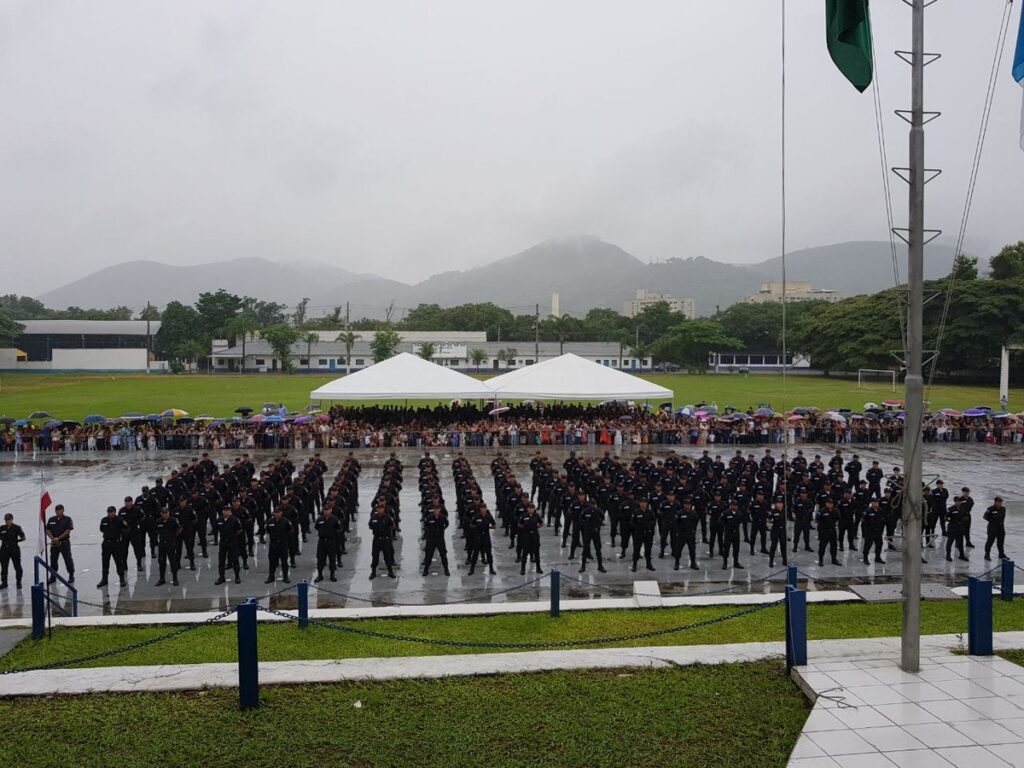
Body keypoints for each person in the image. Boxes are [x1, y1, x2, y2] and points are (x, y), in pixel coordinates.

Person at [97, 506, 128, 588]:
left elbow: (126, 529)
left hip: (116, 543)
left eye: (111, 512)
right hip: (106, 543)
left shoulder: (120, 520)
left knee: (118, 562)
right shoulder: (104, 520)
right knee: (105, 562)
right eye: (108, 512)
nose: (110, 513)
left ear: (115, 512)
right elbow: (101, 529)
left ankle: (122, 579)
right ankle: (104, 579)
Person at [45, 503, 74, 584]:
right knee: (53, 560)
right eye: (57, 510)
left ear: (63, 510)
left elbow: (68, 530)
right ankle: (53, 576)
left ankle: (71, 575)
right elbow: (47, 530)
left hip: (64, 543)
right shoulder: (51, 519)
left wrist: (59, 538)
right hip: (54, 543)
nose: (58, 511)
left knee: (68, 559)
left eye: (60, 509)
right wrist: (52, 538)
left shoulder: (67, 519)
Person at [214, 506, 243, 585]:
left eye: (227, 510)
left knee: (235, 560)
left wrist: (234, 537)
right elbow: (215, 528)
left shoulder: (234, 519)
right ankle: (221, 577)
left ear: (230, 511)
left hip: (232, 542)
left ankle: (237, 576)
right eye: (224, 510)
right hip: (223, 542)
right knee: (221, 560)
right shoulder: (219, 519)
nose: (225, 512)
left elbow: (239, 529)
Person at [314, 507, 343, 582]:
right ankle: (320, 575)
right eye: (324, 510)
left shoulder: (335, 519)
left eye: (327, 510)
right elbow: (316, 527)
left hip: (331, 541)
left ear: (330, 510)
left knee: (332, 558)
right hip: (322, 541)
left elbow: (339, 528)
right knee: (320, 558)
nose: (325, 512)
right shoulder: (320, 519)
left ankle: (332, 575)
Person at [264, 507, 292, 584]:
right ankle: (271, 576)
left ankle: (285, 577)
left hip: (283, 544)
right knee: (272, 562)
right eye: (275, 512)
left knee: (284, 562)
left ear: (281, 513)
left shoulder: (286, 521)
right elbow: (267, 530)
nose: (277, 514)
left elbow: (290, 530)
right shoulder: (270, 521)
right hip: (273, 545)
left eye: (278, 512)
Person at [578, 498, 606, 573]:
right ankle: (583, 566)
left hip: (596, 532)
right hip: (587, 532)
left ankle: (600, 565)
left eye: (594, 504)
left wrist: (598, 525)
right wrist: (585, 525)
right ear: (589, 504)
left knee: (598, 549)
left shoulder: (598, 511)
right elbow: (580, 519)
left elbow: (603, 518)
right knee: (585, 549)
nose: (593, 506)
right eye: (591, 504)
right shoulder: (585, 511)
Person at [368, 505, 396, 579]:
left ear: (384, 509)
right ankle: (373, 572)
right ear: (377, 509)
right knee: (375, 557)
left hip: (385, 540)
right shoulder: (374, 517)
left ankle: (390, 571)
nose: (380, 510)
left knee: (387, 556)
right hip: (377, 540)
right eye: (379, 508)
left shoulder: (387, 517)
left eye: (382, 508)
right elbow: (370, 525)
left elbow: (392, 525)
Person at [422, 506, 450, 576]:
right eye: (435, 510)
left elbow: (447, 524)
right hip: (431, 539)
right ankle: (426, 570)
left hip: (440, 538)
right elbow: (425, 526)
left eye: (438, 510)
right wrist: (430, 532)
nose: (436, 511)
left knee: (443, 554)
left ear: (440, 510)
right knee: (428, 555)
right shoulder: (429, 517)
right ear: (433, 510)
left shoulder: (442, 517)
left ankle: (446, 569)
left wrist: (442, 529)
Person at [0, 513, 26, 589]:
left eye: (8, 519)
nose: (7, 521)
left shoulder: (17, 527)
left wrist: (17, 541)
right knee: (4, 567)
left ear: (12, 519)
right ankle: (4, 583)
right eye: (6, 519)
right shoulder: (1, 528)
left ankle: (18, 582)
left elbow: (23, 537)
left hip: (14, 549)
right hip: (4, 549)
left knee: (17, 566)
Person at [816, 499, 840, 567]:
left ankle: (834, 559)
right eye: (829, 503)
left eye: (831, 503)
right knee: (822, 546)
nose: (830, 504)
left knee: (834, 546)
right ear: (826, 503)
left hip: (832, 531)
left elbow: (838, 518)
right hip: (824, 531)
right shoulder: (822, 511)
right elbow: (817, 519)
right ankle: (821, 560)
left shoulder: (835, 511)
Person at [983, 496, 1007, 561]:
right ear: (995, 502)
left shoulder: (1003, 509)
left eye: (1001, 502)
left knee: (1001, 542)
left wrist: (997, 520)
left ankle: (1001, 554)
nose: (1000, 503)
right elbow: (985, 516)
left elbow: (1002, 517)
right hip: (992, 527)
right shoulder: (990, 508)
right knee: (990, 541)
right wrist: (992, 520)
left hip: (1000, 527)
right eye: (999, 502)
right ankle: (987, 554)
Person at [861, 499, 885, 565]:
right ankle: (865, 558)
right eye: (875, 502)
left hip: (878, 531)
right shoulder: (867, 511)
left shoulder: (880, 510)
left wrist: (881, 530)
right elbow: (863, 523)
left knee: (879, 544)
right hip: (870, 532)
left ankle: (877, 557)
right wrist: (865, 532)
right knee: (868, 545)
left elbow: (883, 521)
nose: (876, 504)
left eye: (877, 502)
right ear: (872, 503)